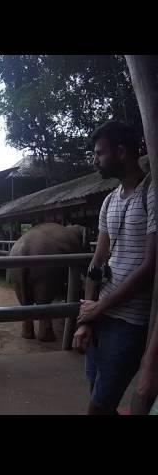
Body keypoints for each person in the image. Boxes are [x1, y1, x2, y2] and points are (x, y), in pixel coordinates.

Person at [73, 120, 156, 415]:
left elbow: (150, 266)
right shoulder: (109, 201)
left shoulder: (152, 194)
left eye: (99, 153)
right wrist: (87, 317)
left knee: (99, 404)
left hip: (130, 321)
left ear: (121, 152)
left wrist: (100, 307)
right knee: (94, 389)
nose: (95, 160)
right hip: (102, 315)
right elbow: (98, 260)